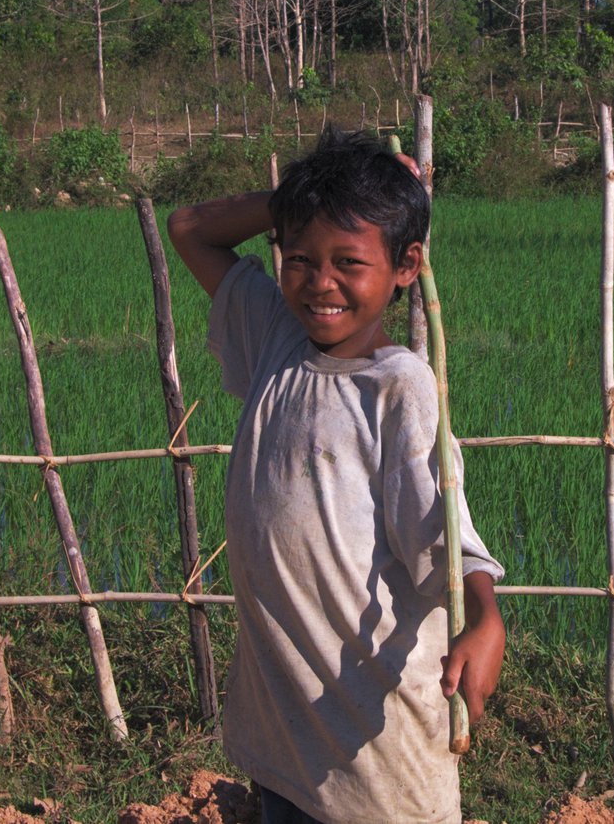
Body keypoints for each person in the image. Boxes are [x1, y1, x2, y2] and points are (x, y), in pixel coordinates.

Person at [168, 128, 505, 824]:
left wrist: (485, 615)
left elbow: (446, 532)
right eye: (299, 259)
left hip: (370, 730)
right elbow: (190, 228)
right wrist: (305, 198)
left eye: (348, 262)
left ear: (407, 265)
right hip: (287, 719)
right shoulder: (276, 338)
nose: (319, 283)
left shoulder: (398, 386)